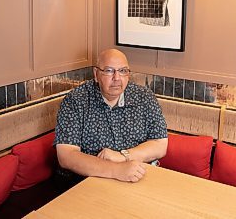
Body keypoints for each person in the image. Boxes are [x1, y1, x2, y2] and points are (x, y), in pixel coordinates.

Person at [53, 48, 168, 189]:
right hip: (88, 185)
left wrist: (123, 156)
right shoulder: (76, 100)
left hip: (138, 179)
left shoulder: (144, 97)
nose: (117, 78)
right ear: (96, 74)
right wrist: (117, 170)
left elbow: (160, 144)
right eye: (109, 71)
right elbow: (66, 156)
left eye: (123, 71)